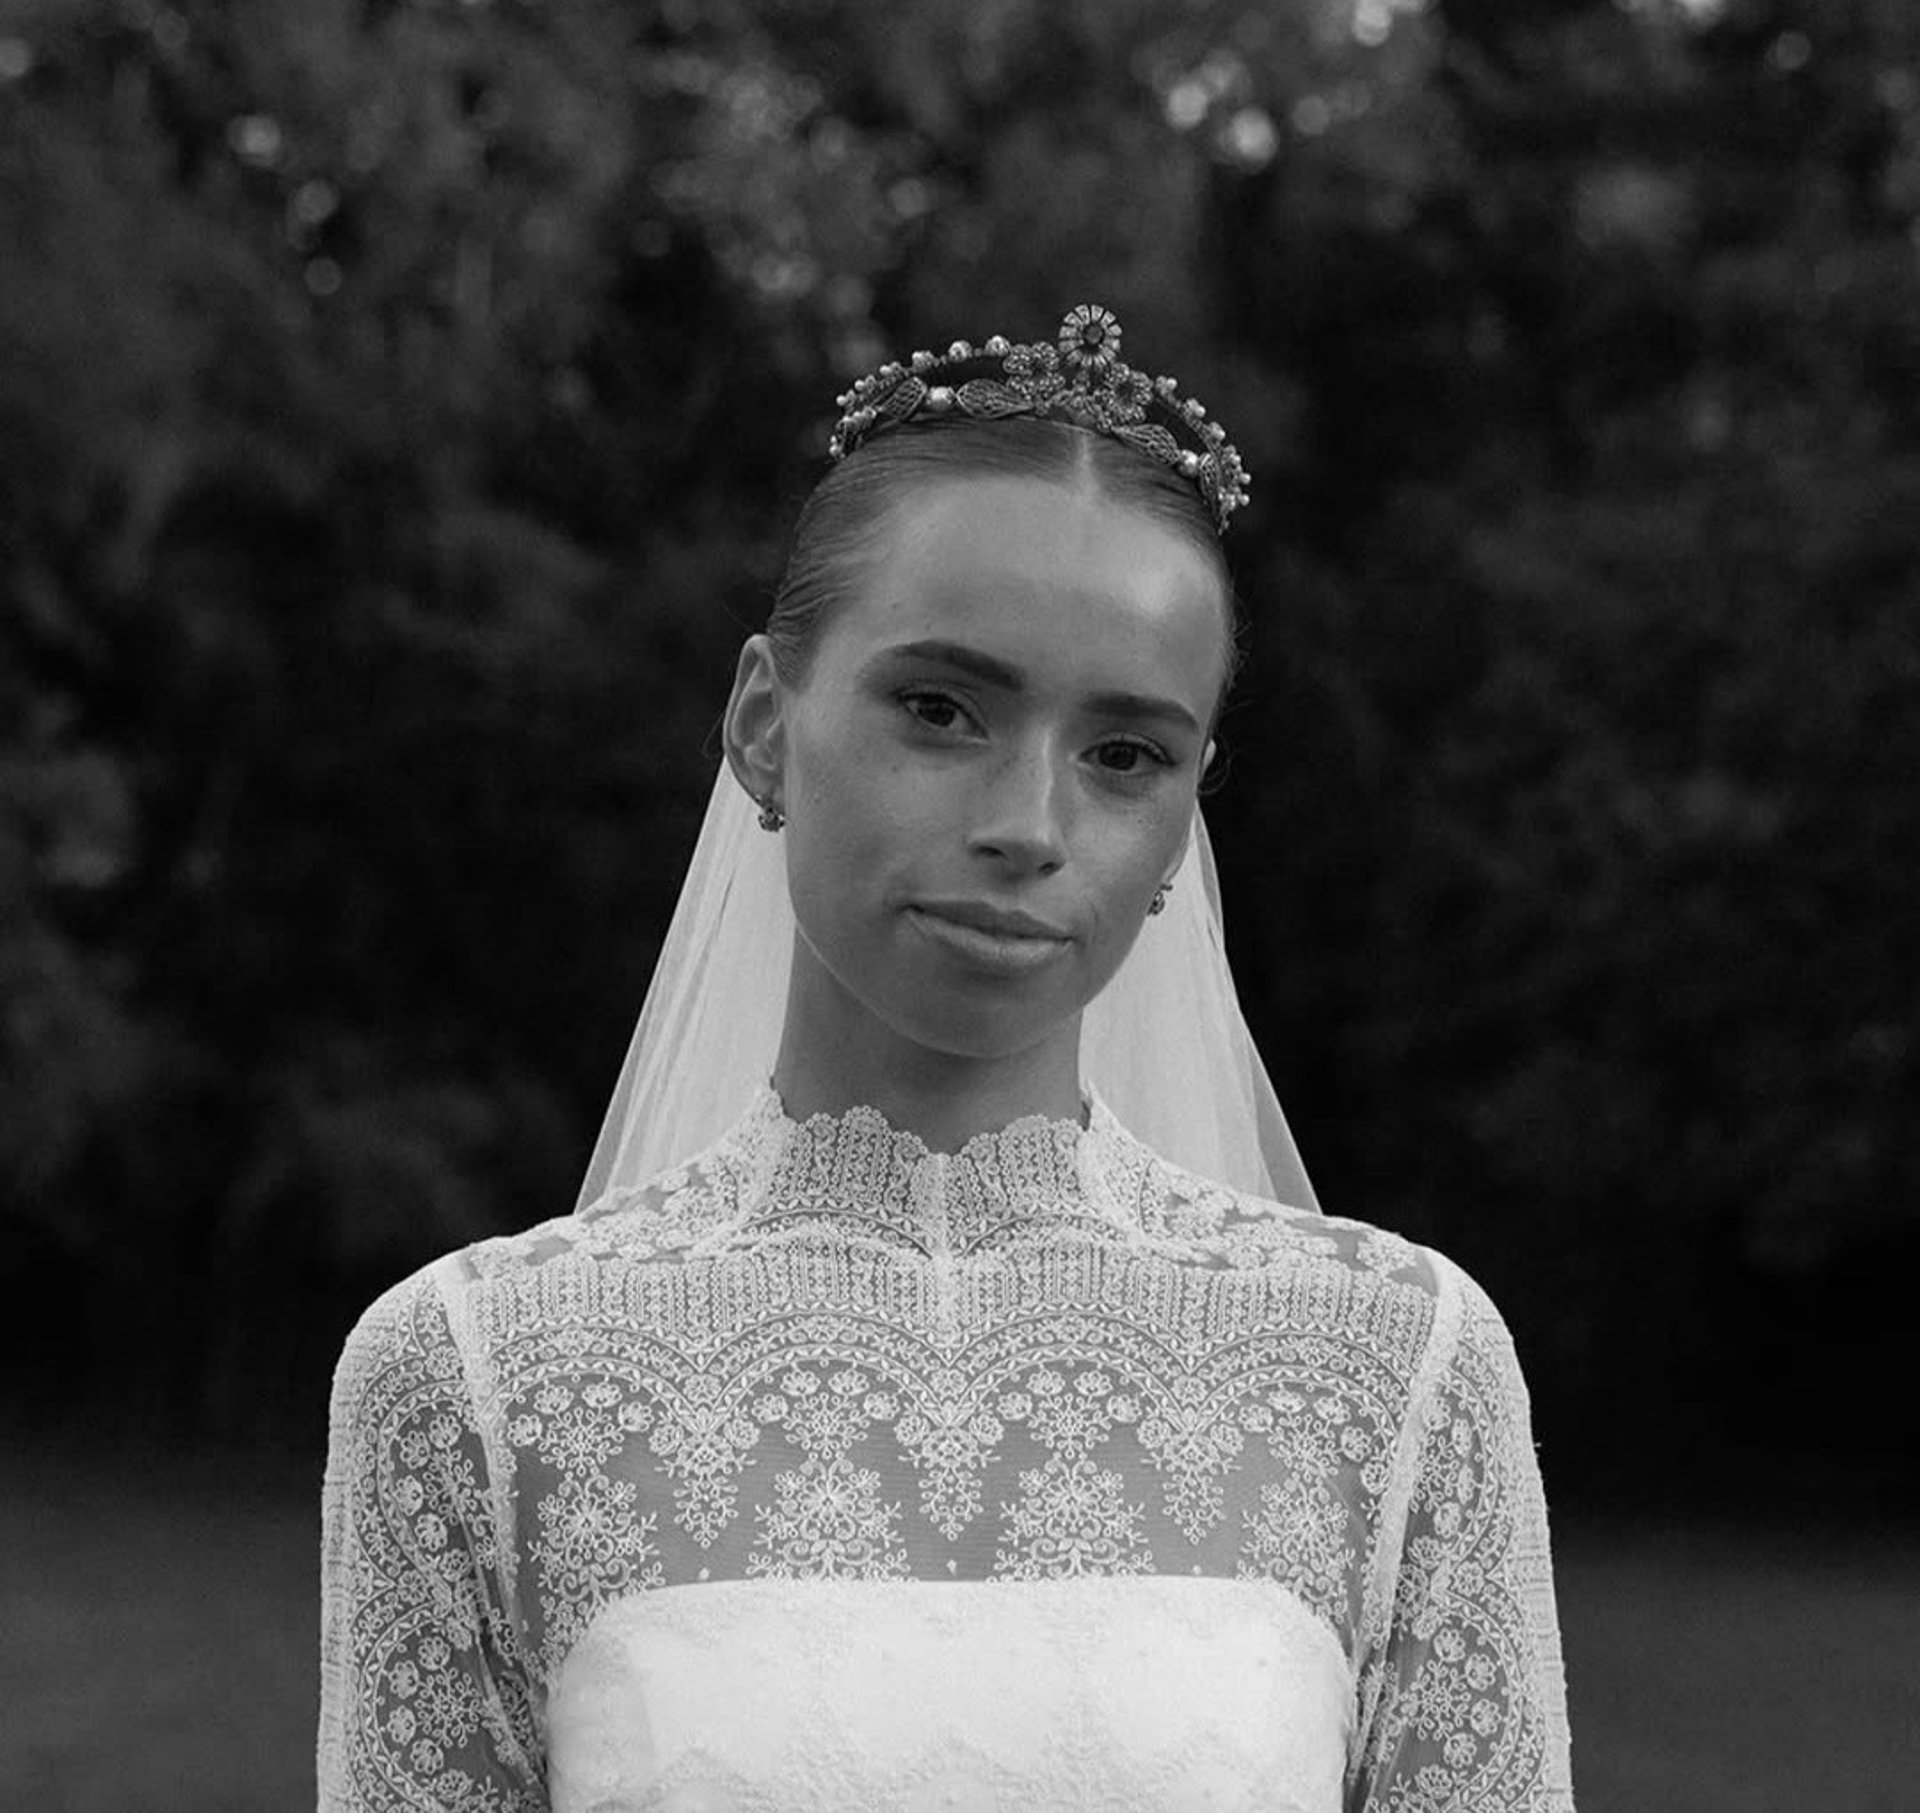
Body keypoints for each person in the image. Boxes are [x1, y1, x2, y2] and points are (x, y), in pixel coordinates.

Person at [318, 306, 1574, 1812]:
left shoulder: (1398, 1367)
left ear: (1189, 817)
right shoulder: (473, 1373)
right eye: (941, 707)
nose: (1030, 825)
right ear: (764, 725)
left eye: (1124, 754)